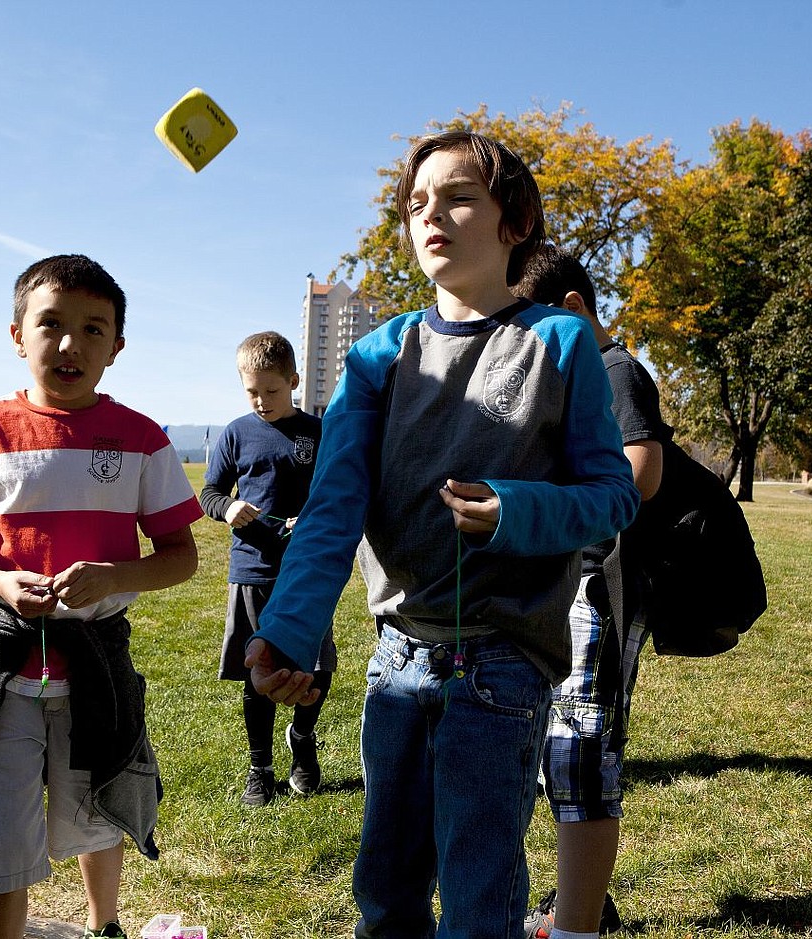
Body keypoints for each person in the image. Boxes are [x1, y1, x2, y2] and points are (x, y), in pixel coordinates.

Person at [245, 130, 640, 939]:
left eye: (460, 196)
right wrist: (286, 631)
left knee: (478, 891)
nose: (434, 215)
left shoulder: (560, 343)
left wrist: (518, 510)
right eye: (418, 202)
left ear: (514, 221)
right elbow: (331, 510)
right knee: (385, 887)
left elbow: (612, 497)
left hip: (503, 670)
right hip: (396, 661)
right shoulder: (376, 356)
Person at [0, 254, 202, 939]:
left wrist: (114, 575)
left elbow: (181, 557)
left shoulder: (142, 439)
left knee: (97, 807)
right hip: (1, 674)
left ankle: (105, 927)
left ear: (117, 347)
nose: (71, 344)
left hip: (95, 670)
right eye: (51, 324)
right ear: (17, 333)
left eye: (93, 329)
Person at [512, 246, 671, 939]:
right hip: (568, 588)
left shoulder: (614, 369)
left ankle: (576, 928)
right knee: (563, 756)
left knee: (581, 754)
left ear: (574, 311)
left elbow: (642, 471)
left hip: (597, 588)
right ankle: (582, 903)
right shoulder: (581, 379)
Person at [199, 331, 334, 807]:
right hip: (252, 570)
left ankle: (303, 740)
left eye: (271, 391)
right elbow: (209, 493)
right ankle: (261, 767)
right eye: (251, 391)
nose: (261, 401)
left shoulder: (318, 433)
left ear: (294, 381)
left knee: (315, 666)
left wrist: (311, 517)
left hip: (307, 572)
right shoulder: (236, 433)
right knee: (257, 666)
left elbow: (336, 492)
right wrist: (227, 509)